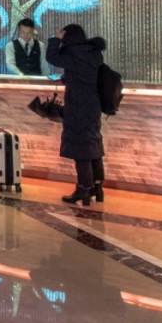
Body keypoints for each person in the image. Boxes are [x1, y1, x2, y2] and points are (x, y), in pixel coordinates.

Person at [46, 24, 107, 205]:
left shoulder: (73, 52)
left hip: (77, 106)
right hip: (93, 105)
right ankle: (97, 188)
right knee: (93, 144)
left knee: (81, 149)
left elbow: (51, 57)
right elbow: (85, 74)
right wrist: (69, 78)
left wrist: (56, 40)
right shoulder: (94, 53)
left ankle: (83, 189)